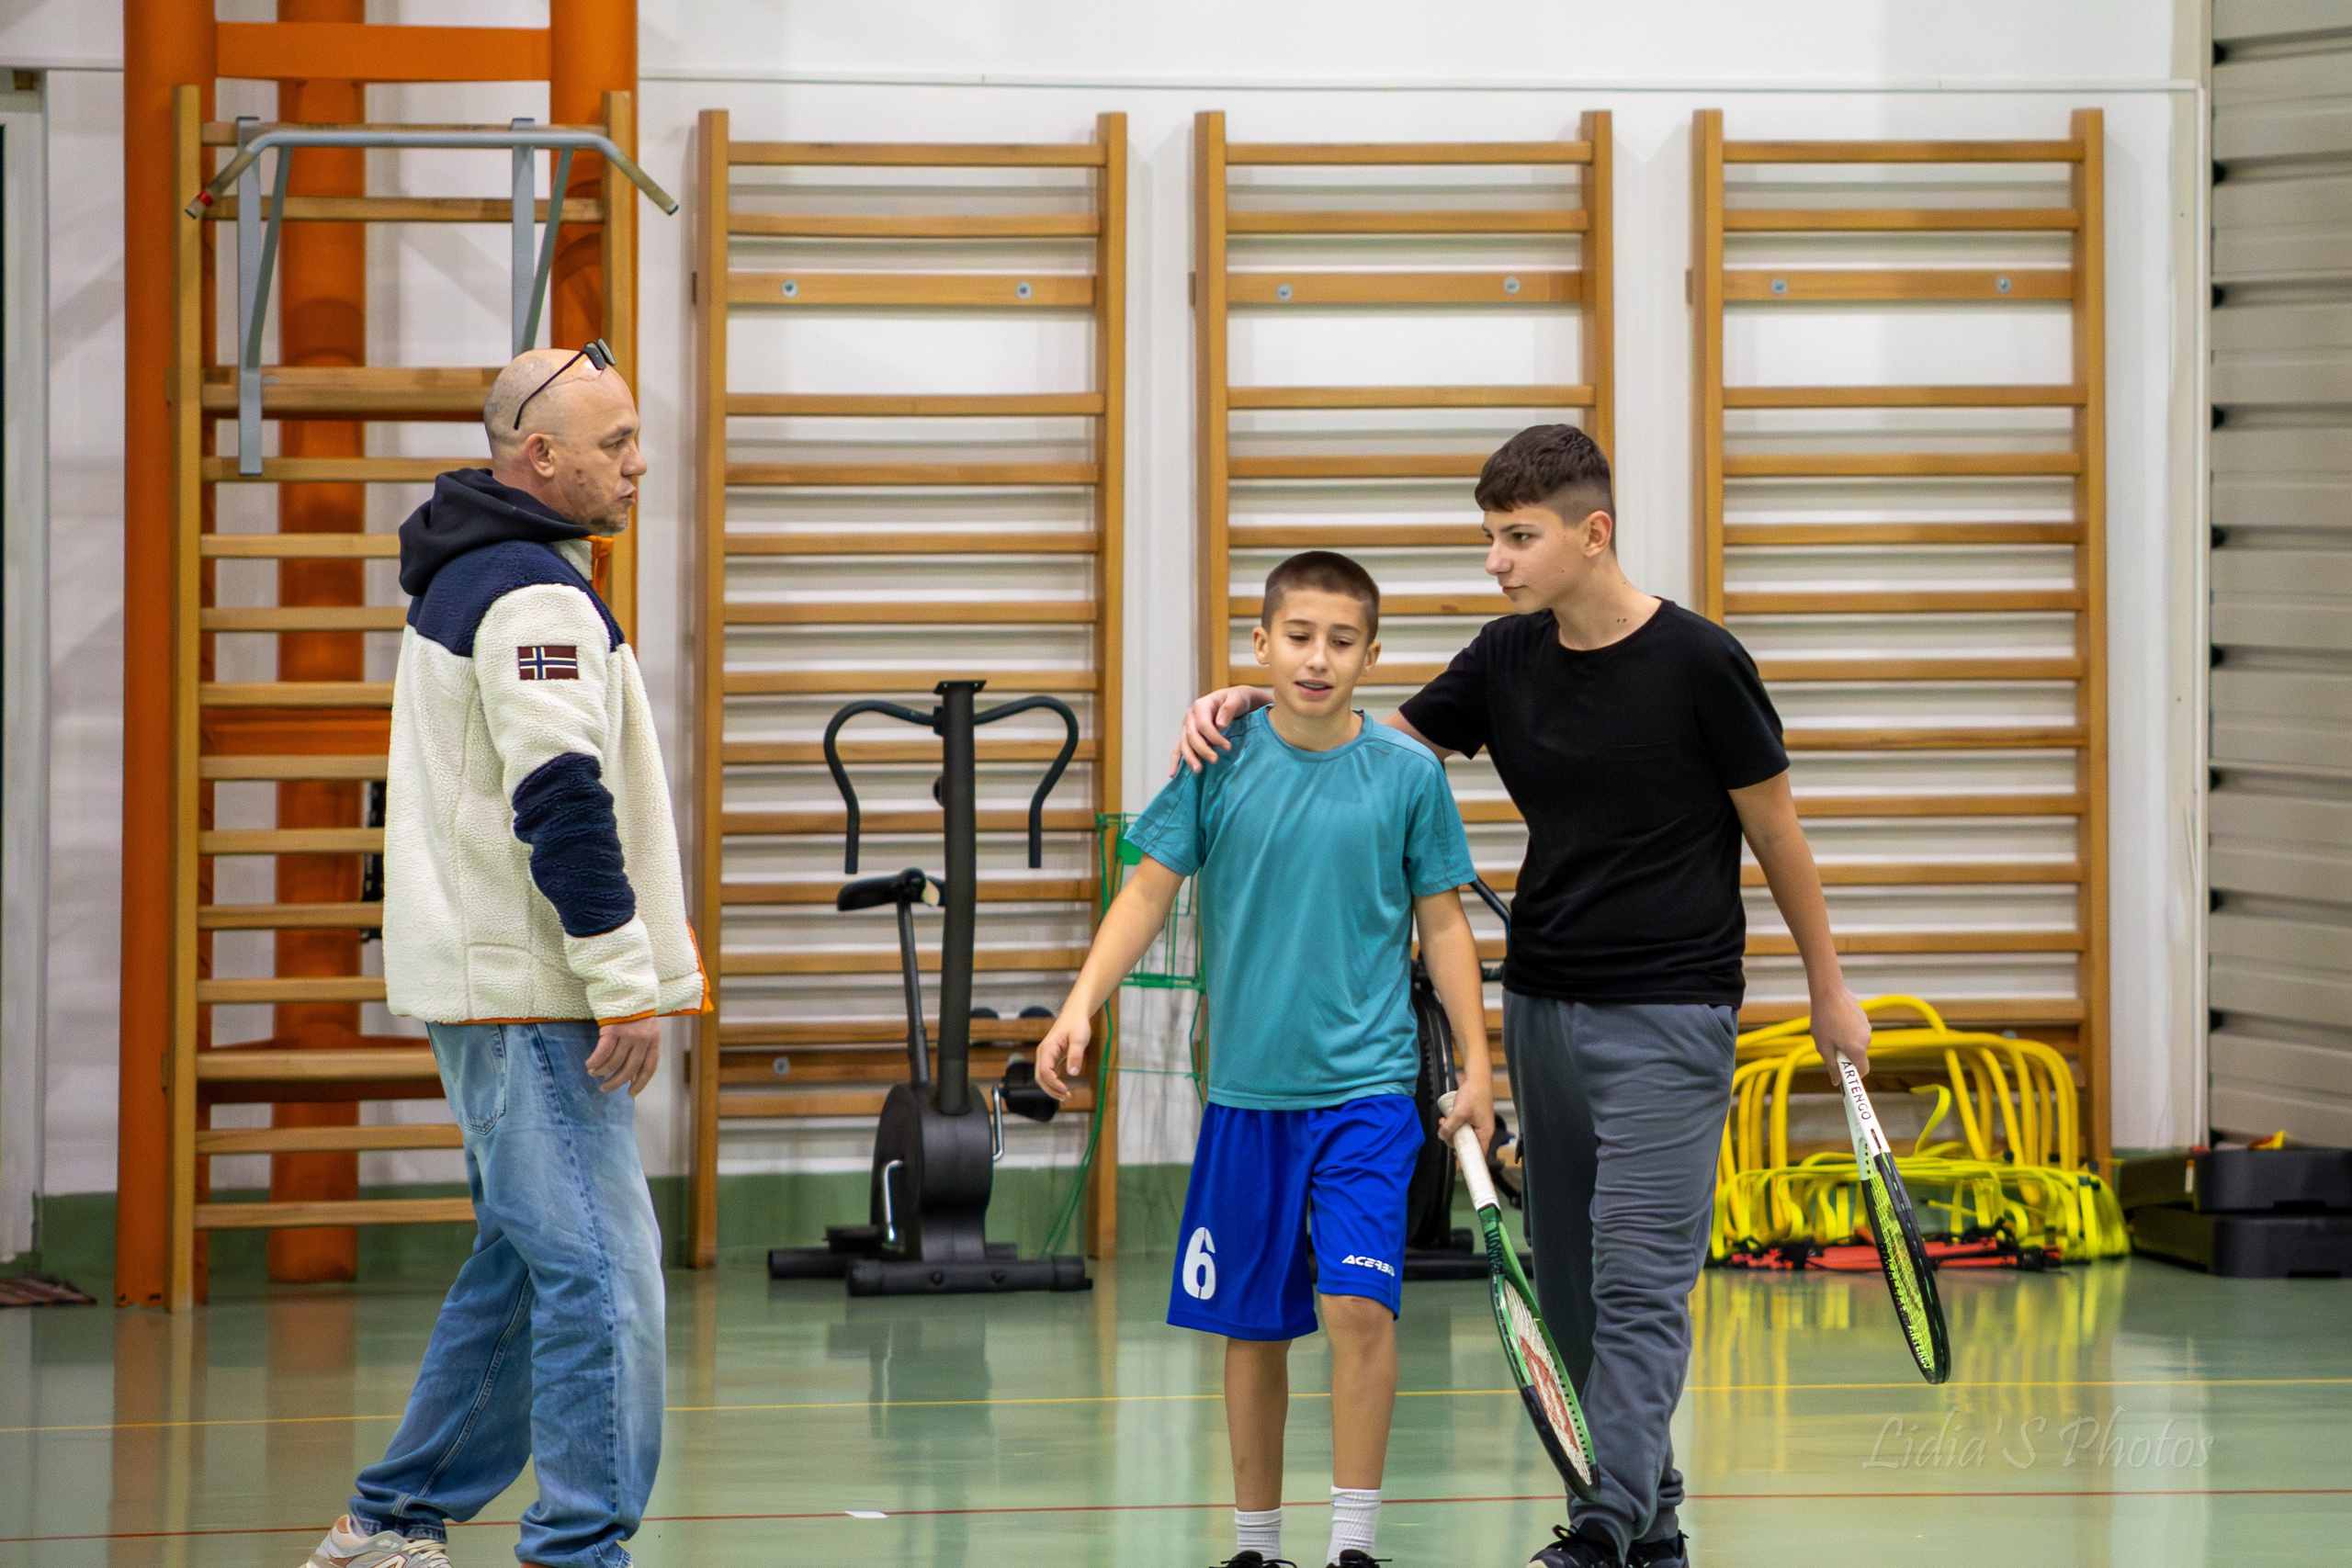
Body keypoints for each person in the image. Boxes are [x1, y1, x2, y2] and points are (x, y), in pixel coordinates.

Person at [1173, 426, 1871, 1568]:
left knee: (1637, 1280)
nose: (1494, 562)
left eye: (1516, 538)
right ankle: (1650, 1523)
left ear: (1592, 534)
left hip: (1673, 1013)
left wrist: (1827, 988)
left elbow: (1777, 831)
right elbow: (1364, 747)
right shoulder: (1504, 658)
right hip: (1543, 1004)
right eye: (1489, 538)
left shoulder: (1701, 662)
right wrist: (1252, 700)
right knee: (1573, 1287)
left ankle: (1600, 1526)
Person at [302, 344, 707, 1568]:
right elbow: (561, 796)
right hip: (536, 997)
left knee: (527, 1272)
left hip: (498, 994)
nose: (639, 464)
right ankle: (579, 1551)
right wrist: (624, 982)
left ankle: (390, 1522)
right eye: (616, 443)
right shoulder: (531, 594)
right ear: (542, 454)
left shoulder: (476, 567)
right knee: (603, 1279)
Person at [1037, 551, 1495, 1568]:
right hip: (1245, 1098)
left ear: (1372, 656)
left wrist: (1477, 1064)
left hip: (1369, 1093)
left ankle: (1353, 1545)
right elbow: (1146, 893)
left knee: (1356, 1306)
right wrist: (1079, 1005)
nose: (1318, 658)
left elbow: (1443, 925)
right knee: (1254, 1329)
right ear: (1260, 644)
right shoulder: (1217, 759)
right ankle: (1257, 1545)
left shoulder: (1408, 775)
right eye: (1298, 637)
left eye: (1341, 641)